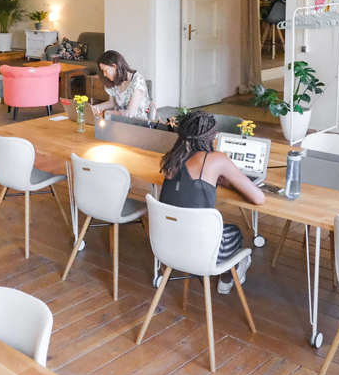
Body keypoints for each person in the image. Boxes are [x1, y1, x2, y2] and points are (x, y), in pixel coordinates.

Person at [159, 110, 265, 295]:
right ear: (213, 136)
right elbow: (259, 198)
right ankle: (228, 276)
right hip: (202, 252)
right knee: (235, 232)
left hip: (167, 244)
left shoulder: (170, 159)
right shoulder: (216, 159)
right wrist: (231, 185)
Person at [91, 50, 153, 120]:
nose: (104, 74)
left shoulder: (137, 82)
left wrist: (107, 112)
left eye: (105, 70)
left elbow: (130, 113)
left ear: (114, 66)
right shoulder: (114, 81)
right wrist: (93, 108)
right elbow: (111, 103)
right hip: (119, 121)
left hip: (137, 123)